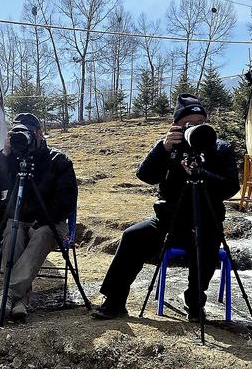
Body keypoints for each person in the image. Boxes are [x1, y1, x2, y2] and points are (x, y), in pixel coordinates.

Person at [92, 95, 239, 321]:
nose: (194, 128)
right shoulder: (168, 147)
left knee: (207, 248)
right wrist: (162, 148)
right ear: (176, 126)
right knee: (132, 236)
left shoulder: (219, 148)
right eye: (188, 124)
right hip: (168, 220)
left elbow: (230, 187)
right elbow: (145, 176)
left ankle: (195, 304)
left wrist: (204, 174)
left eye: (200, 123)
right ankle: (114, 301)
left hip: (207, 222)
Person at [0, 112, 78, 321]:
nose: (21, 139)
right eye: (17, 133)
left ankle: (8, 294)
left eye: (26, 133)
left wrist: (41, 220)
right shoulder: (13, 159)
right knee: (12, 231)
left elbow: (66, 202)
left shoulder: (58, 160)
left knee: (41, 234)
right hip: (18, 219)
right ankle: (20, 302)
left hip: (52, 223)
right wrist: (4, 153)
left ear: (40, 133)